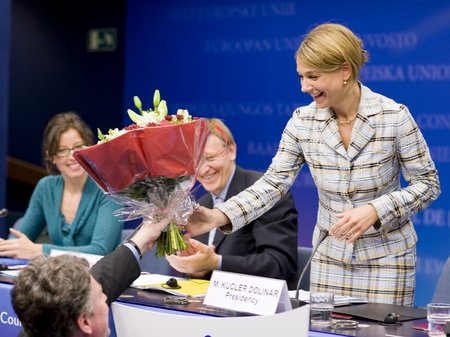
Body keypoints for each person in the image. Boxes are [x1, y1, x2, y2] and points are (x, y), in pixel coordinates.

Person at [184, 23, 441, 306]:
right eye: (301, 77)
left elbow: (428, 185)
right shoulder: (302, 122)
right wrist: (218, 216)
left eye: (313, 76)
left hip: (388, 259)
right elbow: (272, 184)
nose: (304, 87)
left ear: (344, 71)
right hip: (330, 258)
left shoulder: (394, 117)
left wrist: (375, 210)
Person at [166, 119, 298, 287]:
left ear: (232, 151)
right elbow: (203, 267)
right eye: (196, 162)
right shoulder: (201, 205)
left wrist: (216, 263)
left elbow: (280, 266)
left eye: (210, 158)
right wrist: (195, 270)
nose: (203, 169)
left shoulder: (265, 193)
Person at [0, 112, 123, 259]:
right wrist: (8, 247)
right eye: (63, 150)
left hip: (101, 278)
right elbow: (21, 239)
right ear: (51, 157)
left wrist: (41, 251)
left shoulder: (108, 188)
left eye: (78, 147)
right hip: (59, 279)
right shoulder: (46, 187)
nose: (72, 156)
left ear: (89, 149)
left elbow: (100, 251)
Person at [11, 220, 163, 337]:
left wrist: (141, 240)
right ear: (84, 322)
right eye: (100, 295)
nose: (105, 295)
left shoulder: (38, 325)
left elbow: (101, 277)